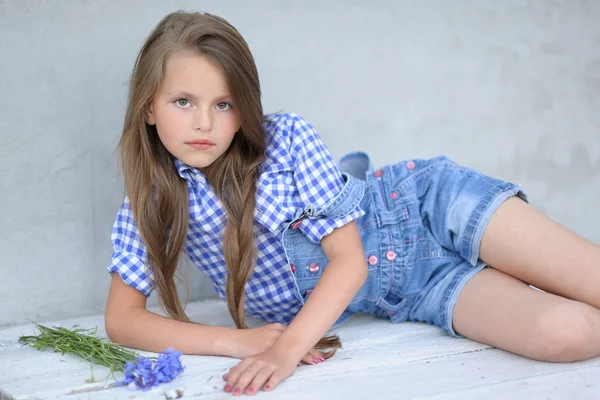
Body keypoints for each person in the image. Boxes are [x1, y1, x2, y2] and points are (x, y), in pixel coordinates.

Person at [104, 10, 600, 396]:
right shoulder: (155, 201)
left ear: (244, 107)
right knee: (567, 334)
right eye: (183, 102)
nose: (204, 124)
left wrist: (285, 353)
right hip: (418, 288)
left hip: (426, 208)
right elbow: (122, 318)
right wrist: (234, 341)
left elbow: (349, 261)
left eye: (223, 103)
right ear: (149, 106)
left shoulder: (287, 140)